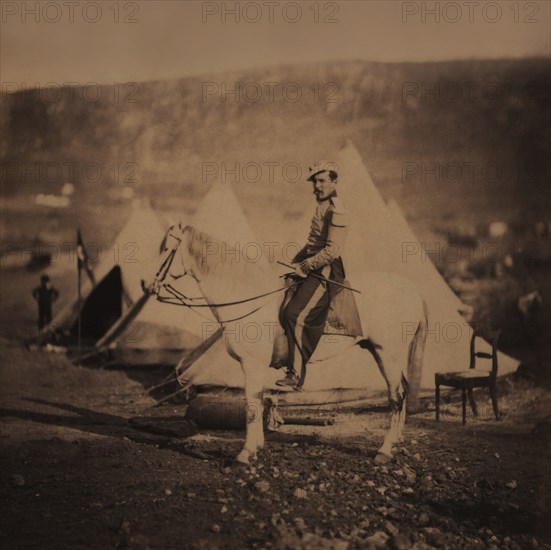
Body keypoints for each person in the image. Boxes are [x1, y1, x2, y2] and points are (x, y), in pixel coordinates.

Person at [277, 161, 348, 389]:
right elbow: (312, 244)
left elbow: (332, 251)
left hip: (326, 272)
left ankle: (295, 374)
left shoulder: (337, 209)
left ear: (335, 182)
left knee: (293, 314)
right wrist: (293, 262)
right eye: (314, 181)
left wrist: (305, 267)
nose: (317, 186)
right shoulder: (321, 206)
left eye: (322, 180)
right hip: (314, 266)